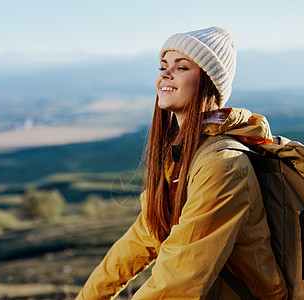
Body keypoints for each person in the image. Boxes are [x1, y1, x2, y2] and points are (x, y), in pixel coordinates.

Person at [76, 26, 288, 299]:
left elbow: (177, 280)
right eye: (163, 66)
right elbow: (141, 240)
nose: (165, 73)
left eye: (182, 67)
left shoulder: (222, 166)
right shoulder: (180, 158)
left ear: (208, 82)